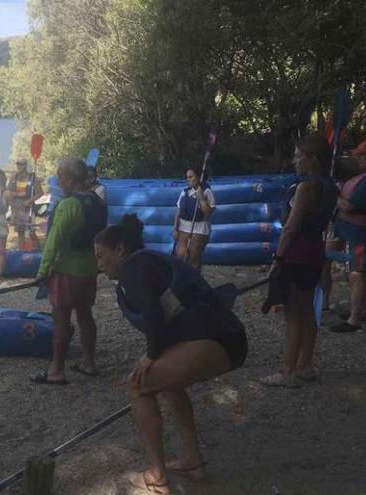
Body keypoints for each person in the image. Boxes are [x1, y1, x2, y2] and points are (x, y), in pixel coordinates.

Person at [93, 214, 248, 494]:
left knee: (138, 386)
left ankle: (156, 475)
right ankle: (193, 462)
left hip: (213, 339)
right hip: (228, 338)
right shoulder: (146, 264)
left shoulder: (132, 266)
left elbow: (152, 312)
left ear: (120, 249)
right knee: (169, 386)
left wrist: (151, 354)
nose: (99, 264)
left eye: (101, 256)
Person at [260, 135, 337, 387]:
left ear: (312, 158)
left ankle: (288, 372)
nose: (294, 160)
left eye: (298, 155)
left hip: (297, 252)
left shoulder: (307, 188)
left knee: (293, 314)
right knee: (307, 310)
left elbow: (291, 228)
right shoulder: (330, 186)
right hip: (315, 251)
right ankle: (305, 365)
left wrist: (278, 258)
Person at [31, 158, 107, 385]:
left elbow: (53, 241)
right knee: (85, 316)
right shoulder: (98, 202)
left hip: (66, 271)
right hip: (89, 271)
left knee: (61, 320)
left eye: (60, 176)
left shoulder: (68, 205)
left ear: (71, 179)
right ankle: (88, 362)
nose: (58, 181)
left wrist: (43, 271)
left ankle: (56, 370)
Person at [327, 139, 366, 333]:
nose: (357, 158)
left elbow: (350, 205)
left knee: (359, 274)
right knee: (356, 272)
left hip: (362, 232)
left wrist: (333, 194)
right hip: (351, 230)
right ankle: (359, 310)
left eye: (361, 155)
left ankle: (354, 320)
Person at [172, 167, 216, 272]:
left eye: (191, 177)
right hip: (184, 227)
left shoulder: (206, 191)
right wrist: (175, 228)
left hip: (200, 228)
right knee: (180, 255)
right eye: (187, 177)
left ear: (198, 177)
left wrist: (201, 198)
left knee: (193, 256)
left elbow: (208, 212)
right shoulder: (184, 192)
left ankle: (195, 280)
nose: (188, 179)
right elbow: (178, 211)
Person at [8, 158, 43, 250]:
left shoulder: (33, 178)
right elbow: (9, 193)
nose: (19, 166)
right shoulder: (13, 178)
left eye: (21, 164)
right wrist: (12, 209)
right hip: (17, 208)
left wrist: (30, 200)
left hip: (28, 208)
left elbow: (40, 193)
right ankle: (21, 251)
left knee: (31, 232)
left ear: (26, 165)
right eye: (18, 164)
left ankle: (38, 249)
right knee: (20, 232)